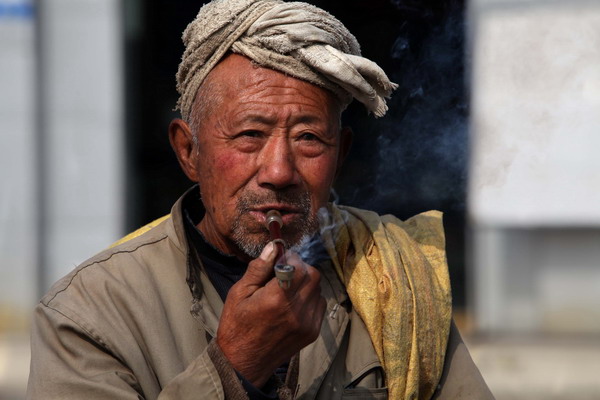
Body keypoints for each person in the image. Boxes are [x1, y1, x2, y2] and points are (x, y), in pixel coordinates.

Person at [27, 0, 493, 399]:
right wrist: (235, 367)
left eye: (309, 138)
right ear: (189, 152)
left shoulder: (394, 276)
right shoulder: (91, 312)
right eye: (250, 135)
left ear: (341, 153)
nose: (279, 172)